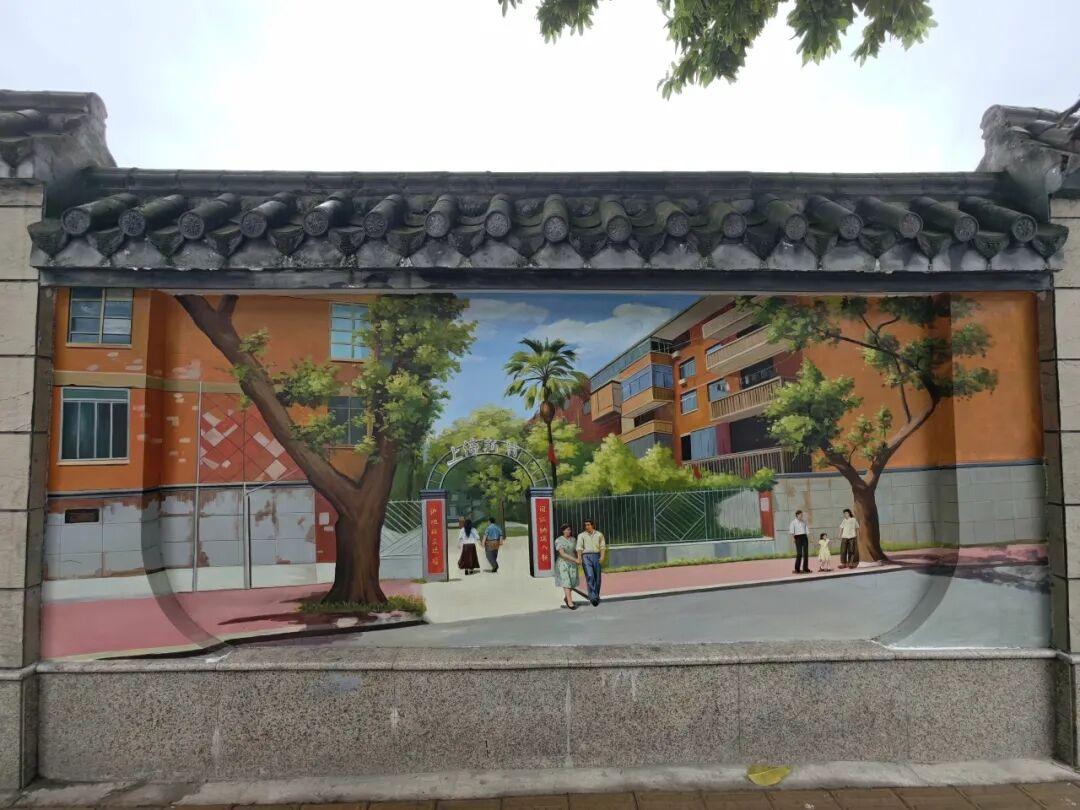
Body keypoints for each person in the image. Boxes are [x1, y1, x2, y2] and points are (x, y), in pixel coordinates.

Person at [576, 518, 606, 606]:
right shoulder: (581, 535)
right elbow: (579, 547)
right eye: (585, 525)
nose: (587, 527)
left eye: (588, 525)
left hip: (596, 555)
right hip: (586, 556)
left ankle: (596, 595)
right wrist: (579, 558)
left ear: (592, 525)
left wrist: (602, 556)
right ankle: (593, 597)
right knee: (590, 575)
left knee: (597, 577)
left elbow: (602, 546)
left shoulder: (599, 534)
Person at [554, 523, 581, 609]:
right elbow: (562, 554)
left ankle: (567, 598)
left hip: (572, 563)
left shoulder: (573, 539)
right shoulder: (559, 540)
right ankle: (570, 602)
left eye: (570, 529)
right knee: (566, 582)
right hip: (563, 563)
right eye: (567, 530)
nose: (569, 531)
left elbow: (576, 550)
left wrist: (579, 558)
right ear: (563, 531)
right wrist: (575, 559)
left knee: (572, 582)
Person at [789, 509, 810, 574]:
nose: (802, 516)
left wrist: (809, 538)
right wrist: (793, 538)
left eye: (802, 515)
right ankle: (797, 569)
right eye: (801, 515)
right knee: (799, 553)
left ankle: (805, 568)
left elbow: (807, 531)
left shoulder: (804, 522)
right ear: (797, 515)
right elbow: (792, 532)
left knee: (806, 553)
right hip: (797, 537)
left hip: (804, 537)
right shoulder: (793, 522)